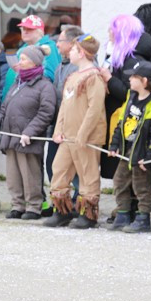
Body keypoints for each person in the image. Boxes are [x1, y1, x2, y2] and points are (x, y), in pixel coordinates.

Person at [0, 45, 55, 220]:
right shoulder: (17, 83)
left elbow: (46, 112)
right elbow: (3, 109)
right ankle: (18, 205)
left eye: (23, 59)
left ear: (34, 62)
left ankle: (34, 207)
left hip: (27, 139)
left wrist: (30, 132)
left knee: (30, 174)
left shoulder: (44, 85)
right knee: (13, 175)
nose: (19, 62)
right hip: (10, 137)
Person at [44, 34, 107, 229]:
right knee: (59, 170)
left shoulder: (94, 77)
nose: (69, 52)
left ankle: (88, 214)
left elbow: (94, 108)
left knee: (88, 175)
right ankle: (61, 210)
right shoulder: (72, 76)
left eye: (72, 49)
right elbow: (64, 105)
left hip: (85, 137)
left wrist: (83, 133)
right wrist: (59, 129)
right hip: (68, 136)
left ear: (81, 52)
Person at [106, 60, 151, 233]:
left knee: (141, 186)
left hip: (142, 153)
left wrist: (149, 157)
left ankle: (143, 218)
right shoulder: (131, 96)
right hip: (128, 149)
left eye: (133, 77)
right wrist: (115, 143)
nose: (129, 80)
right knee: (119, 181)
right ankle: (123, 213)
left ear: (144, 81)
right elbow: (121, 121)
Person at [0, 15, 60, 102]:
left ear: (39, 31)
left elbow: (50, 76)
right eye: (23, 29)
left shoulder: (48, 48)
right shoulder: (22, 48)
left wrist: (25, 71)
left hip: (33, 100)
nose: (25, 32)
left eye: (29, 29)